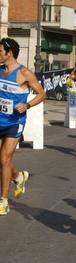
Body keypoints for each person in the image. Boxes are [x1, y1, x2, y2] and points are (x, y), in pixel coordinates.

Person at [0, 38, 46, 215]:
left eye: (0, 51)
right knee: (1, 160)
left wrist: (27, 105)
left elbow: (41, 94)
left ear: (9, 53)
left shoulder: (24, 73)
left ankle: (3, 201)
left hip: (14, 123)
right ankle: (19, 177)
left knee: (4, 159)